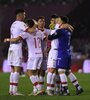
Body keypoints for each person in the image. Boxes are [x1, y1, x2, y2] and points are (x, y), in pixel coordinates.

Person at [4, 19, 45, 96]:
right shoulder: (39, 32)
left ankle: (39, 88)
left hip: (33, 55)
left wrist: (7, 39)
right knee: (35, 73)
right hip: (40, 55)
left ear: (28, 25)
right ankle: (35, 90)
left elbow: (16, 39)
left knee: (28, 72)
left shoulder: (26, 33)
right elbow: (45, 38)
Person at [48, 16, 84, 95]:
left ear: (62, 22)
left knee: (61, 71)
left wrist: (48, 32)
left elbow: (50, 37)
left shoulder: (60, 31)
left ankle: (65, 90)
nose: (57, 21)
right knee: (68, 72)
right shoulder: (68, 31)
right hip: (68, 53)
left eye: (59, 20)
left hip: (62, 53)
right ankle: (78, 87)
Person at [4, 9, 28, 95]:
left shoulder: (13, 24)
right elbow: (29, 30)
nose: (25, 16)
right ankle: (15, 91)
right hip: (17, 48)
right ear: (20, 15)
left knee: (13, 69)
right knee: (17, 69)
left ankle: (11, 90)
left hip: (11, 47)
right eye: (24, 15)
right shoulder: (21, 24)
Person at [36, 16, 50, 92]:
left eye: (43, 21)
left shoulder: (48, 31)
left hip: (44, 54)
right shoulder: (34, 31)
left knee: (42, 72)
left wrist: (48, 49)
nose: (42, 22)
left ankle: (41, 89)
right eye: (40, 21)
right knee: (35, 72)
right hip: (35, 55)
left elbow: (52, 42)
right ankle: (36, 89)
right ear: (37, 22)